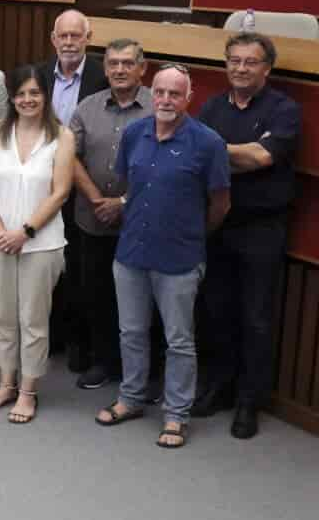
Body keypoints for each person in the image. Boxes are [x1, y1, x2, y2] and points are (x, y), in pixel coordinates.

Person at [94, 64, 230, 449]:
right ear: (150, 94)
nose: (166, 100)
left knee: (179, 340)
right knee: (132, 332)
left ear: (189, 98)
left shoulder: (208, 143)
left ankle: (175, 415)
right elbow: (128, 187)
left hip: (180, 258)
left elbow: (220, 203)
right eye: (160, 92)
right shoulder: (135, 132)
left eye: (175, 93)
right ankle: (132, 399)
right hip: (131, 251)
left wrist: (193, 233)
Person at [195, 32, 300, 439]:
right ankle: (219, 387)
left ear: (266, 68)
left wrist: (218, 151)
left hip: (262, 227)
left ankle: (248, 402)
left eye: (250, 62)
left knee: (255, 318)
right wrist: (238, 156)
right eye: (234, 60)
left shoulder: (284, 109)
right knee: (216, 310)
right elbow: (215, 159)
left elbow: (263, 156)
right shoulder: (212, 106)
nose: (240, 68)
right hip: (217, 223)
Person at [0, 65, 75, 424]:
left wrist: (25, 231)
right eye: (21, 93)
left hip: (41, 244)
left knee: (33, 320)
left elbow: (61, 191)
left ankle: (29, 391)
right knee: (3, 316)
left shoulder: (61, 137)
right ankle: (6, 384)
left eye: (34, 92)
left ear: (45, 95)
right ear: (12, 97)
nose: (27, 99)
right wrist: (1, 229)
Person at [68, 39, 152, 392]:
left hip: (141, 222)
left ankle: (139, 371)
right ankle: (103, 361)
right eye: (114, 63)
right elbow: (69, 157)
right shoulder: (87, 107)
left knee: (140, 298)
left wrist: (123, 202)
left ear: (142, 68)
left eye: (127, 63)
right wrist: (97, 199)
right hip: (92, 219)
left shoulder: (157, 106)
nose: (119, 70)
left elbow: (164, 165)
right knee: (97, 294)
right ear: (105, 69)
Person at [41, 10, 108, 371]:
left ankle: (80, 343)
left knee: (82, 268)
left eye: (75, 36)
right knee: (46, 263)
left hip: (86, 186)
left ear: (88, 37)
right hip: (41, 187)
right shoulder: (38, 73)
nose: (68, 43)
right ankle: (50, 335)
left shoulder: (102, 76)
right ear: (53, 39)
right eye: (63, 36)